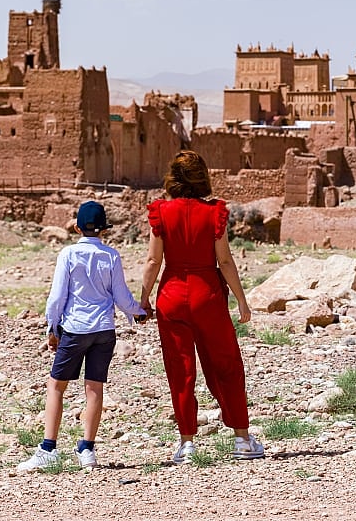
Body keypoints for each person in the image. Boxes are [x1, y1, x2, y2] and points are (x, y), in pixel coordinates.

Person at [139, 150, 264, 464]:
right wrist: (241, 299)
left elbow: (154, 260)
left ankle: (188, 443)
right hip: (207, 294)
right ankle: (241, 439)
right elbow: (224, 260)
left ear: (173, 179)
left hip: (171, 294)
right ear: (202, 178)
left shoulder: (160, 211)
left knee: (180, 371)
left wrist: (143, 299)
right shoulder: (214, 212)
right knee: (226, 365)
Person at [17, 201, 148, 472]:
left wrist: (52, 328)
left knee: (56, 387)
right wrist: (138, 312)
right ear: (104, 230)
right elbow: (121, 295)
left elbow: (56, 298)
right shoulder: (111, 255)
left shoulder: (68, 254)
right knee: (95, 389)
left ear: (77, 227)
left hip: (75, 329)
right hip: (103, 329)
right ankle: (87, 450)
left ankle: (48, 449)